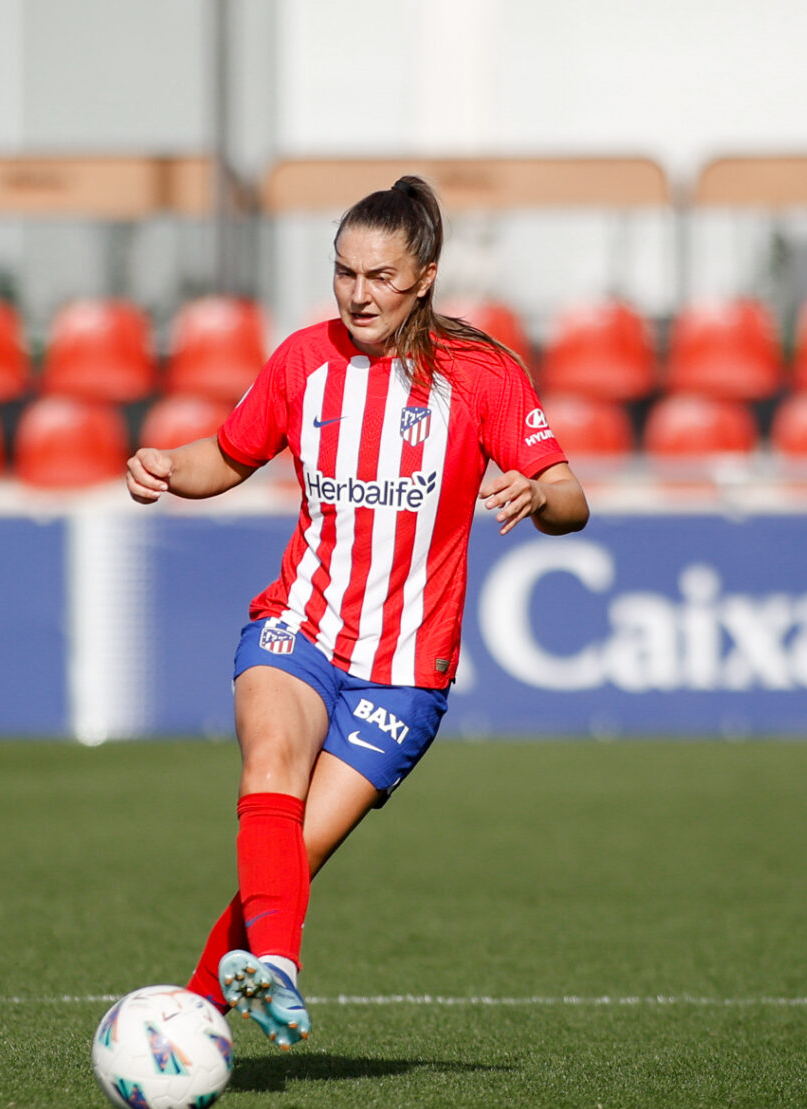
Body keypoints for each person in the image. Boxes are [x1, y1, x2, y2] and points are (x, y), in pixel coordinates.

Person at [125, 176, 588, 1049]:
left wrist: (538, 492)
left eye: (379, 276)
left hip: (406, 670)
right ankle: (276, 981)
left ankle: (188, 1015)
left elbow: (571, 500)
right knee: (269, 764)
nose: (359, 294)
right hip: (299, 623)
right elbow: (227, 457)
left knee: (286, 863)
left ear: (425, 277)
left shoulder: (482, 376)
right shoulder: (304, 360)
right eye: (344, 273)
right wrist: (160, 467)